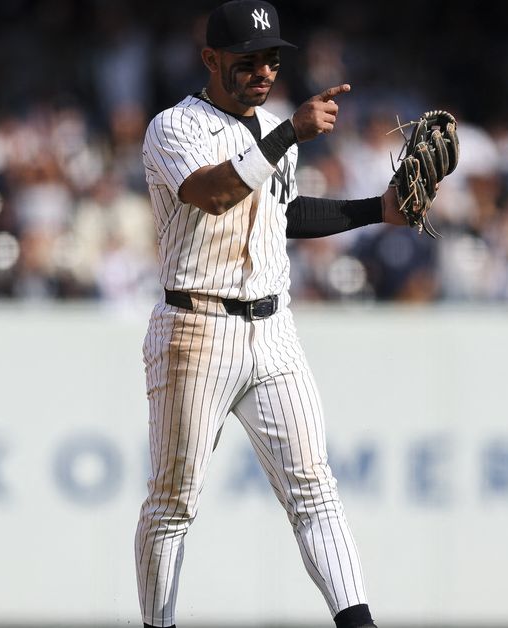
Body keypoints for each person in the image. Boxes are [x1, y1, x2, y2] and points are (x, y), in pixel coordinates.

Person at [134, 2, 410, 627]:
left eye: (272, 60)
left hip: (274, 328)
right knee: (173, 503)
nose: (263, 71)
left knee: (314, 488)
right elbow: (213, 194)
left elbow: (284, 214)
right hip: (195, 328)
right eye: (247, 60)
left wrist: (378, 209)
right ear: (210, 59)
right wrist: (288, 134)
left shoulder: (274, 130)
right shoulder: (174, 127)